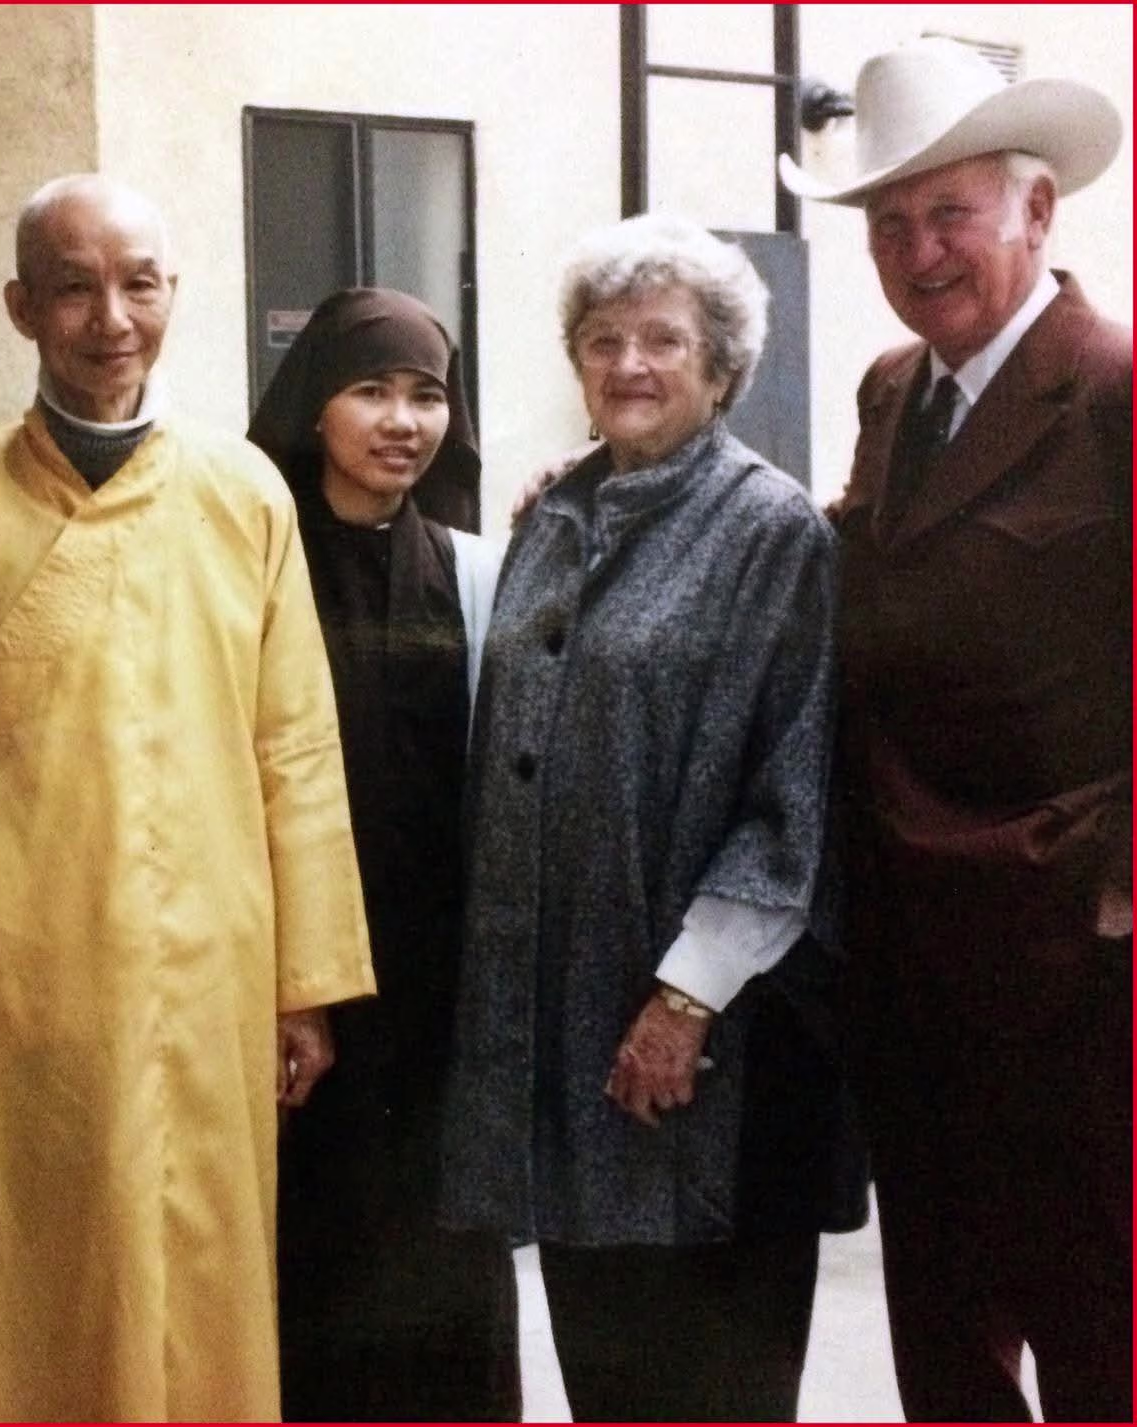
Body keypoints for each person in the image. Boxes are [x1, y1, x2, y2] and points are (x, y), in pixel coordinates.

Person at [0, 174, 375, 1421]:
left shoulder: (243, 493)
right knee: (35, 1289)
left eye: (138, 284)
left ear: (172, 293)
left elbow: (295, 748)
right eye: (73, 288)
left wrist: (304, 982)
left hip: (211, 976)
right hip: (24, 982)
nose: (111, 319)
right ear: (20, 306)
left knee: (199, 1282)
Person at [438, 215, 862, 1421]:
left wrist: (682, 1001)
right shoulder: (552, 517)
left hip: (706, 1050)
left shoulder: (769, 529)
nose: (628, 363)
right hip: (571, 1043)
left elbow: (791, 790)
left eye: (663, 340)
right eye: (603, 339)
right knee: (606, 1373)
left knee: (711, 1383)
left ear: (721, 368)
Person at [780, 38, 1131, 1422]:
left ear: (1036, 211)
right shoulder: (892, 389)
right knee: (942, 1330)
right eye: (888, 223)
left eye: (949, 214)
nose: (918, 252)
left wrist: (1118, 891)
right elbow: (855, 555)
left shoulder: (1114, 385)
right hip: (916, 957)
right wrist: (632, 478)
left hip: (1076, 967)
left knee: (1099, 1327)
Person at [246, 288, 519, 1423]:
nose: (402, 421)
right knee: (305, 1261)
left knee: (440, 1268)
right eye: (370, 390)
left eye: (426, 395)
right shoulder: (253, 568)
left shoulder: (474, 570)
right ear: (316, 406)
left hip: (436, 990)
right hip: (292, 979)